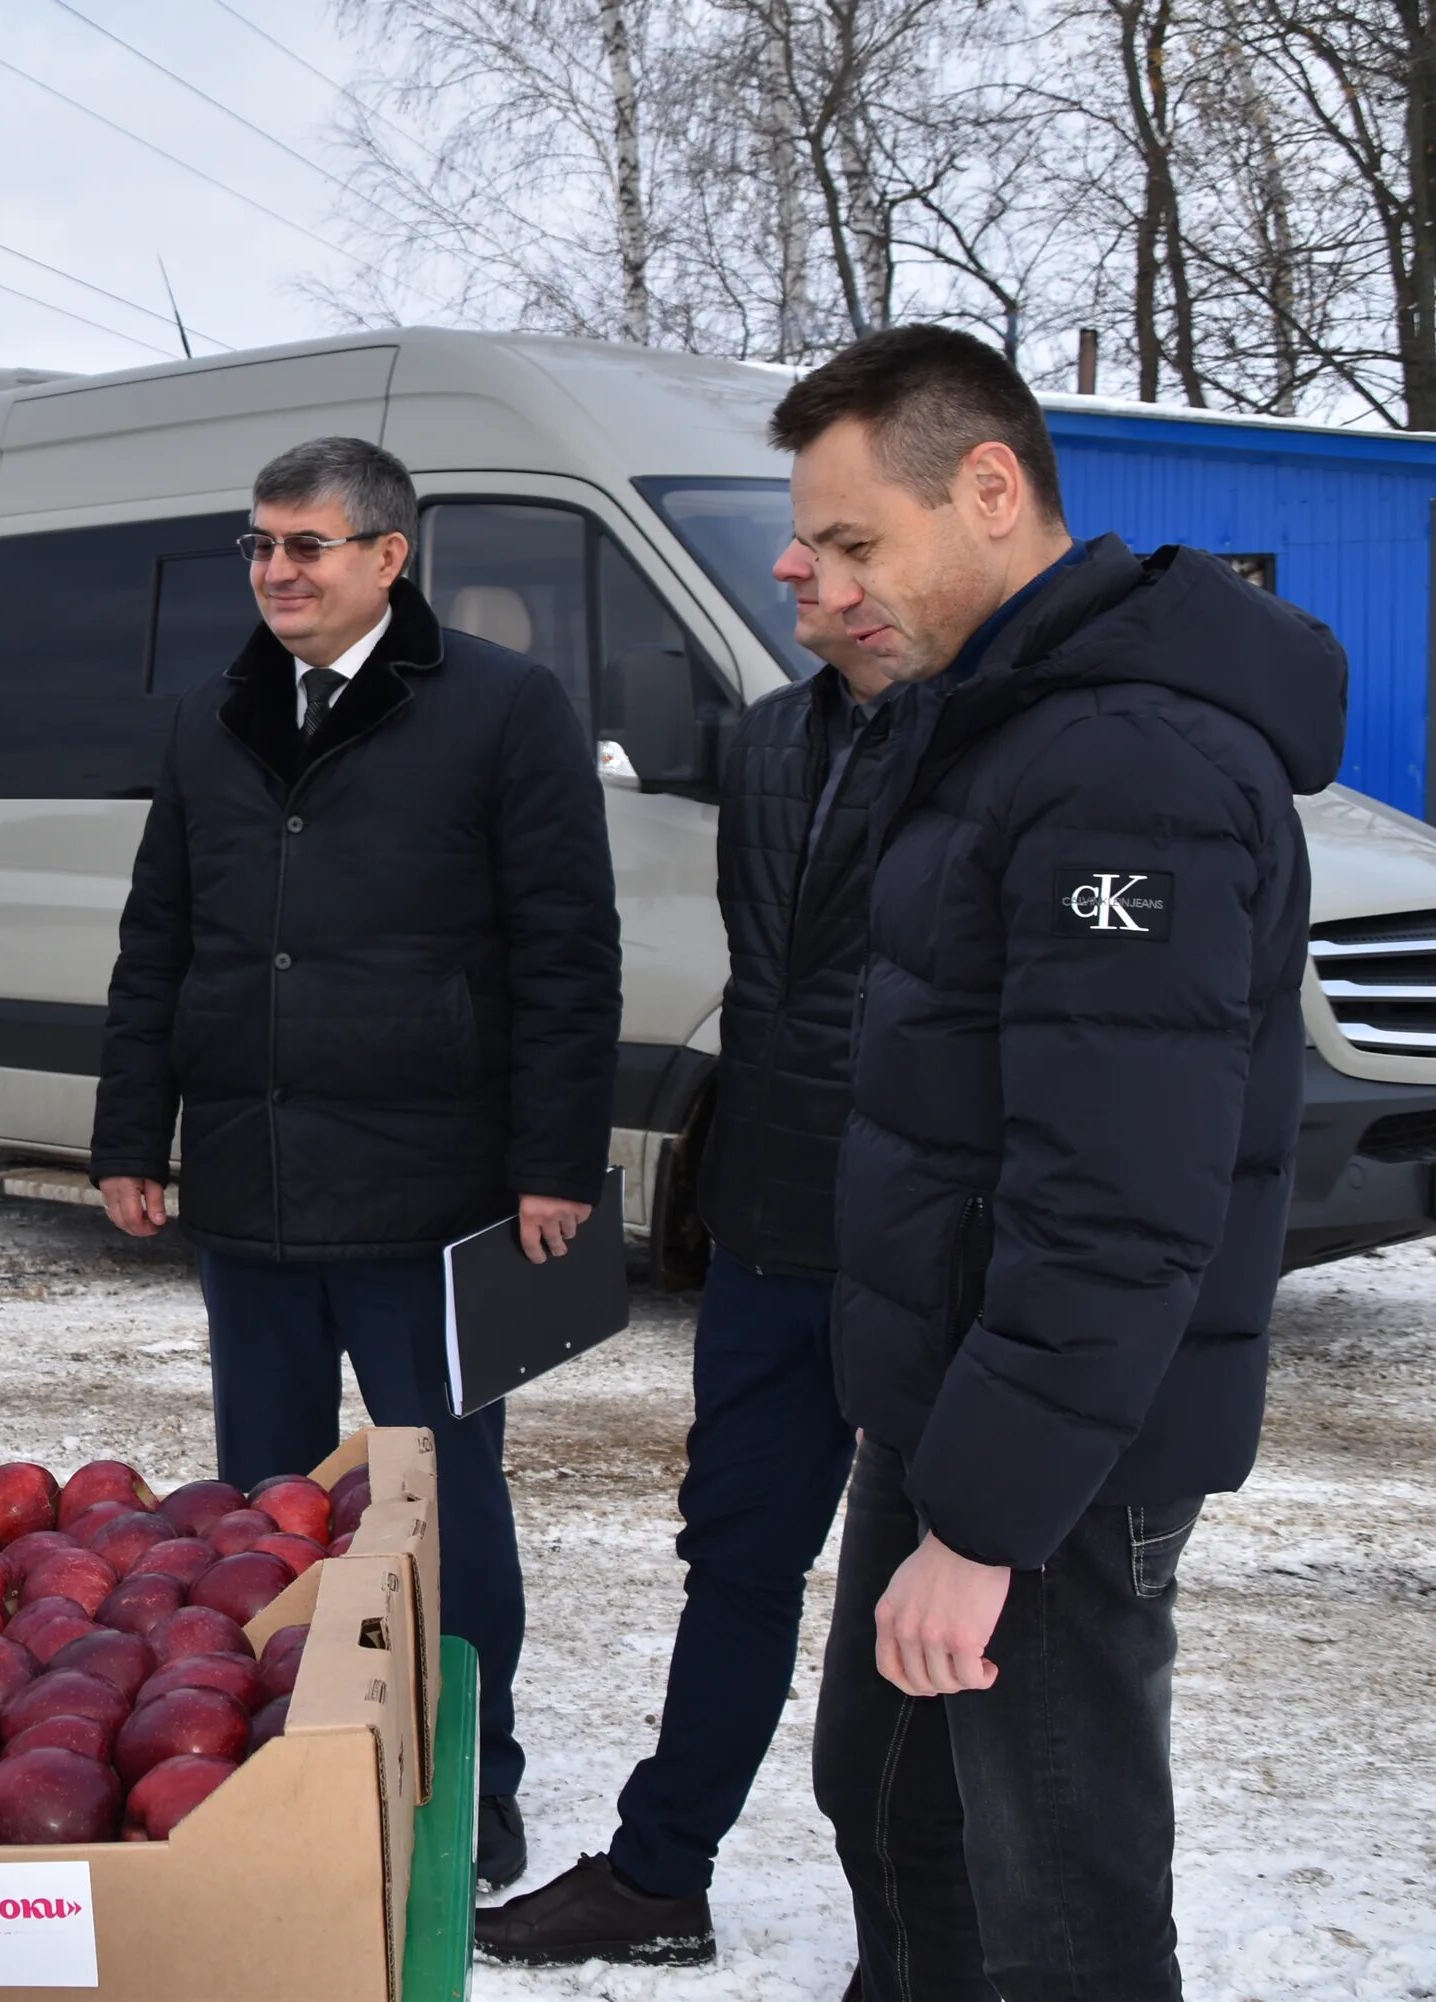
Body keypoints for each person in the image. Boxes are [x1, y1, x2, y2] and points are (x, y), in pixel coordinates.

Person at [778, 325, 1342, 2001]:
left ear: (994, 490)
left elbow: (1119, 1191)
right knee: (890, 1804)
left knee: (1056, 1888)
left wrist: (990, 1519)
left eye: (860, 541)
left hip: (1060, 1459)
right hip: (956, 1412)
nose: (827, 580)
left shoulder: (1127, 766)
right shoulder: (993, 724)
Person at [90, 434, 621, 1892]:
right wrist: (134, 1132)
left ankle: (471, 1774)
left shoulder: (507, 711)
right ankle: (274, 1765)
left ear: (390, 557)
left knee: (441, 1509)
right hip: (252, 1193)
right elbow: (161, 940)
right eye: (261, 545)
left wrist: (551, 1160)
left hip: (430, 1199)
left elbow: (569, 952)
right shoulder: (215, 719)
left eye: (307, 545)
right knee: (259, 1510)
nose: (277, 571)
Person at [478, 572, 902, 1965]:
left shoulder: (1000, 739)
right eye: (807, 544)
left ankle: (931, 1916)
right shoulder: (775, 738)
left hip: (928, 1242)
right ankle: (661, 1875)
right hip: (772, 1225)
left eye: (853, 544)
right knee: (737, 1559)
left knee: (946, 1591)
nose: (815, 580)